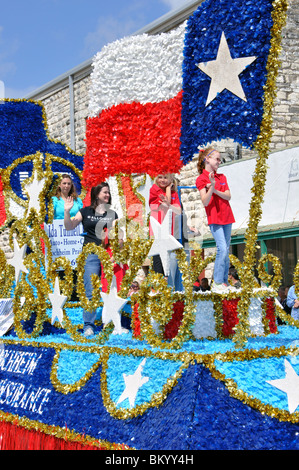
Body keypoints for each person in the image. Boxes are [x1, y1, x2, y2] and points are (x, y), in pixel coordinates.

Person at [64, 182, 119, 337]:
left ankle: (114, 323)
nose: (107, 195)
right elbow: (69, 226)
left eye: (108, 192)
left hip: (108, 254)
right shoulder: (85, 211)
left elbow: (116, 235)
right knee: (91, 290)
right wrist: (67, 212)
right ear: (96, 194)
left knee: (112, 289)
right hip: (91, 255)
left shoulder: (112, 213)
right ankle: (88, 325)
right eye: (104, 192)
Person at [195, 148, 235, 293]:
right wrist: (211, 187)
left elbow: (228, 196)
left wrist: (215, 189)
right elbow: (205, 201)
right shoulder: (201, 179)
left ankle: (223, 281)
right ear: (207, 159)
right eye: (217, 159)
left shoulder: (222, 177)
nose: (219, 162)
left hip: (227, 216)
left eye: (219, 159)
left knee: (226, 251)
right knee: (222, 249)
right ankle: (217, 281)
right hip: (215, 218)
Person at [149, 173, 182, 289]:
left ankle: (167, 288)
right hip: (157, 232)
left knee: (168, 264)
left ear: (171, 179)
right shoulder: (154, 189)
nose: (162, 180)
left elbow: (178, 211)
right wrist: (168, 191)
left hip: (169, 233)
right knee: (158, 261)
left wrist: (169, 204)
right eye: (160, 177)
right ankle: (158, 289)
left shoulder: (174, 193)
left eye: (165, 177)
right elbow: (160, 206)